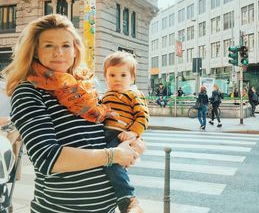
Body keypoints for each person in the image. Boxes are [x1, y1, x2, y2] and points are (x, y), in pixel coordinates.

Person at [1, 14, 145, 213]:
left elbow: (102, 140)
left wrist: (131, 146)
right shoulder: (28, 91)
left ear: (76, 50)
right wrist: (113, 155)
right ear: (35, 51)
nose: (59, 52)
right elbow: (47, 158)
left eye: (66, 45)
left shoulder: (84, 89)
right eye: (49, 45)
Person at [100, 51, 149, 212]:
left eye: (123, 75)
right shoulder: (106, 96)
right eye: (112, 75)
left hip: (120, 136)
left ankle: (127, 198)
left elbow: (143, 116)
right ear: (105, 77)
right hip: (104, 134)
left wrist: (134, 133)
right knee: (103, 162)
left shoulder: (133, 94)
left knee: (112, 164)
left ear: (132, 78)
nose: (117, 79)